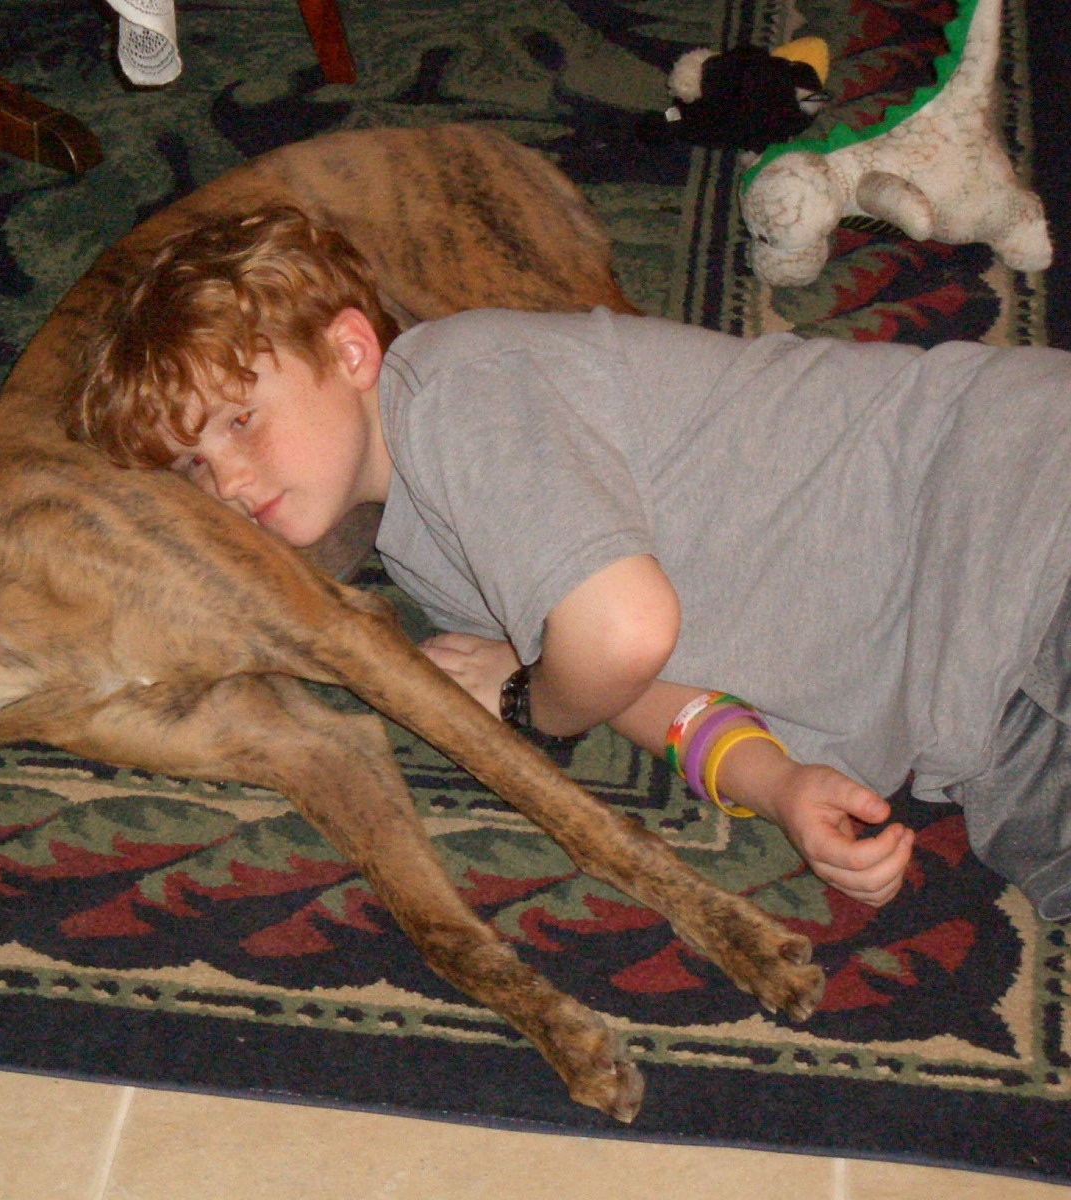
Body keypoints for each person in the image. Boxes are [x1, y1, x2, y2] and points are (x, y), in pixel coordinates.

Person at [68, 205, 1071, 918]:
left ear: (350, 351)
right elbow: (638, 684)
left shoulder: (463, 387)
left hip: (1009, 516)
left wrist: (524, 704)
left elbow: (620, 637)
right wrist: (778, 787)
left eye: (241, 420)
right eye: (194, 464)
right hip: (973, 715)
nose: (229, 479)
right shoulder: (424, 548)